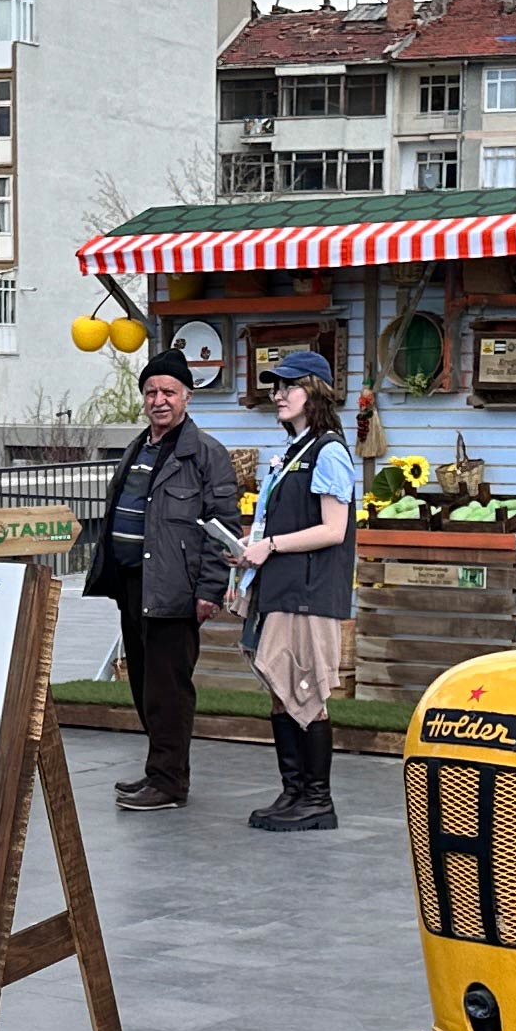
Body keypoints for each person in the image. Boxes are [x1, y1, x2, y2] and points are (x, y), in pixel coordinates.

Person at [83, 347, 239, 811]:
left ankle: (170, 782)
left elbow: (223, 528)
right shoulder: (138, 447)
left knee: (168, 689)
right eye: (151, 391)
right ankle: (159, 771)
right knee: (143, 684)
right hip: (134, 583)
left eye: (169, 391)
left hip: (176, 589)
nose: (159, 399)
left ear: (187, 396)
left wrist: (210, 591)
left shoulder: (206, 454)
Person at [235, 348, 359, 833]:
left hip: (308, 592)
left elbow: (333, 529)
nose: (278, 395)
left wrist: (270, 545)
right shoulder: (294, 451)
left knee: (305, 690)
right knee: (281, 691)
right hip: (282, 588)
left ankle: (317, 799)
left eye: (289, 386)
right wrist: (250, 547)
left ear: (316, 392)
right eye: (275, 387)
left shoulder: (328, 450)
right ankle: (294, 792)